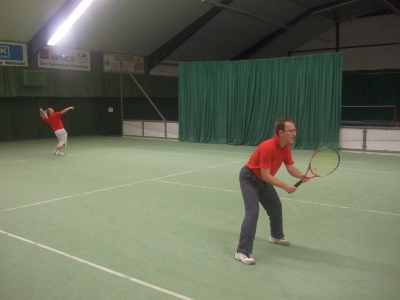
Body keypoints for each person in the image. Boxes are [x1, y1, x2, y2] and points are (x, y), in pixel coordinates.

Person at [235, 118, 310, 265]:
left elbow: (290, 167)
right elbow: (266, 175)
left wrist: (300, 175)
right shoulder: (268, 147)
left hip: (263, 181)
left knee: (275, 207)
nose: (294, 133)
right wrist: (285, 186)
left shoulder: (286, 147)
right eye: (291, 131)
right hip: (249, 178)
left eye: (295, 130)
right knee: (252, 212)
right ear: (281, 132)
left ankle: (275, 236)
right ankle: (241, 251)